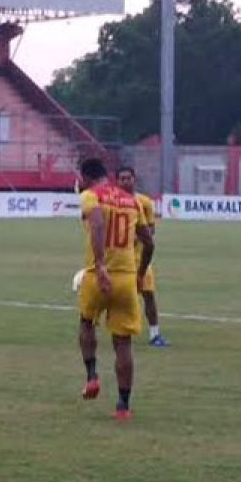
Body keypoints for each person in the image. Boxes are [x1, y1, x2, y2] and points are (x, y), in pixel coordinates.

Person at [77, 157, 154, 420]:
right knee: (123, 343)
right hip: (127, 279)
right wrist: (140, 274)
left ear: (86, 177)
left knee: (86, 323)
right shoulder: (131, 200)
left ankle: (92, 376)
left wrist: (100, 265)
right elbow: (149, 242)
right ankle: (123, 406)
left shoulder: (90, 195)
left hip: (99, 276)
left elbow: (97, 222)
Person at [115, 166, 169, 347]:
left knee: (148, 295)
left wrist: (136, 237)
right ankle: (112, 328)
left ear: (134, 179)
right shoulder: (111, 202)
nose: (125, 181)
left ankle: (155, 334)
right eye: (122, 178)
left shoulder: (144, 202)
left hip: (140, 258)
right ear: (117, 181)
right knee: (115, 296)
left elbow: (151, 229)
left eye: (128, 178)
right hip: (118, 259)